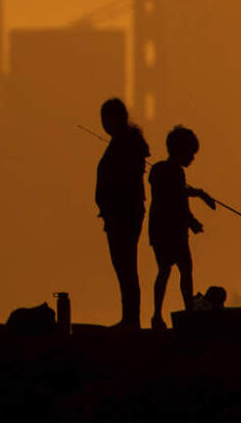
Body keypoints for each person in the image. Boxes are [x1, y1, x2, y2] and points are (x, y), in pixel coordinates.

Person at [148, 125, 216, 330]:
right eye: (191, 153)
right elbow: (177, 200)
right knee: (184, 270)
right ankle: (187, 312)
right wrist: (192, 220)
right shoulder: (174, 172)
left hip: (161, 229)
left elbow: (178, 193)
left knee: (166, 270)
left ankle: (158, 314)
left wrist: (199, 194)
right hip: (171, 231)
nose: (192, 158)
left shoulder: (160, 170)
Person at [95, 98, 150, 329]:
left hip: (123, 215)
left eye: (107, 118)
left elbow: (124, 180)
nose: (104, 123)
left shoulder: (125, 145)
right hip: (119, 214)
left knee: (125, 266)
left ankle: (131, 318)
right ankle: (130, 316)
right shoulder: (125, 143)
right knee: (125, 266)